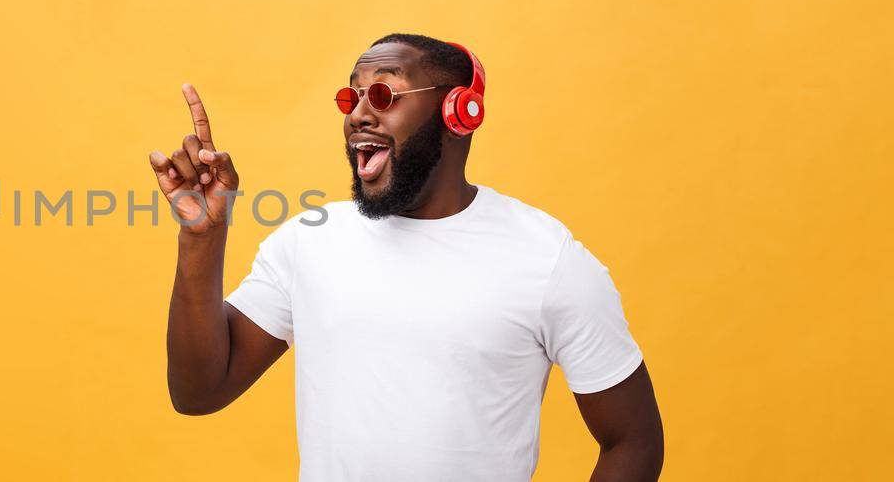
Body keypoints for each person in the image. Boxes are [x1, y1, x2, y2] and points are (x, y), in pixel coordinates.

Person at [146, 33, 664, 481]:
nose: (359, 113)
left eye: (384, 93)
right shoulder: (308, 242)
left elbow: (634, 441)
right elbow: (198, 392)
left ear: (460, 113)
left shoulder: (547, 258)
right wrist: (202, 238)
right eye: (352, 95)